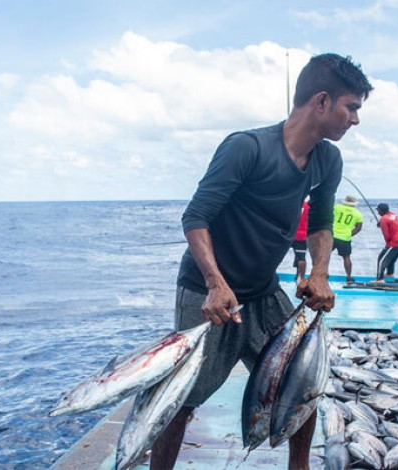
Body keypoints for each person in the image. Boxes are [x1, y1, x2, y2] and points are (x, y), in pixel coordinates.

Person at [158, 53, 372, 470]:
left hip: (263, 289)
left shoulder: (328, 160)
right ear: (322, 101)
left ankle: (299, 467)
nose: (355, 119)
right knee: (181, 396)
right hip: (207, 289)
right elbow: (195, 217)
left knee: (301, 382)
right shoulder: (247, 147)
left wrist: (320, 272)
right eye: (352, 107)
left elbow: (321, 222)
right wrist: (216, 283)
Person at [332, 195, 364, 284]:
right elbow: (358, 228)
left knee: (325, 255)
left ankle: (319, 274)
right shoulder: (358, 214)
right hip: (345, 238)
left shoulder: (337, 207)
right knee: (346, 257)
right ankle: (349, 277)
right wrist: (349, 234)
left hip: (332, 235)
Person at [373, 203, 398, 282]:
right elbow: (389, 221)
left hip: (396, 241)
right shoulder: (392, 215)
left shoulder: (383, 219)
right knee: (391, 258)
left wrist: (388, 245)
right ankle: (389, 273)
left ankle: (379, 279)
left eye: (378, 210)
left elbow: (386, 235)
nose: (378, 212)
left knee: (381, 259)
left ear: (382, 211)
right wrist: (380, 223)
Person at [291, 200, 310, 282]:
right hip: (301, 235)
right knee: (301, 257)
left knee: (279, 255)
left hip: (289, 233)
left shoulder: (292, 204)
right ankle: (301, 278)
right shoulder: (308, 207)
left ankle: (270, 274)